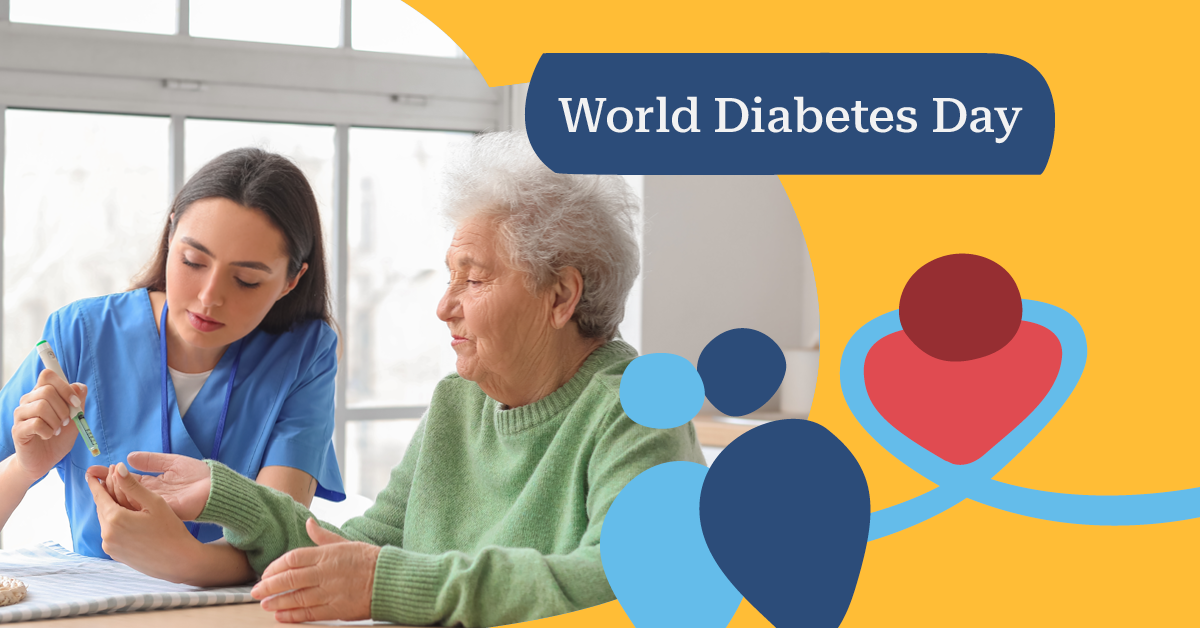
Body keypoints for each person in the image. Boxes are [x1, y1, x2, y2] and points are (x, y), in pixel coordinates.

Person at [91, 131, 705, 626]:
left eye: (474, 278)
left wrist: (389, 583)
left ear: (561, 296)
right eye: (449, 276)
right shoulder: (459, 402)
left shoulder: (638, 407)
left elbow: (628, 581)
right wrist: (226, 494)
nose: (444, 306)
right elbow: (351, 547)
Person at [0, 148, 345, 586]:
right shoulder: (80, 334)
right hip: (96, 607)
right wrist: (24, 467)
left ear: (291, 281)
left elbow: (280, 538)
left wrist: (186, 561)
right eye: (193, 261)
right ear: (170, 234)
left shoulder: (305, 354)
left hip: (236, 612)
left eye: (247, 280)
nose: (209, 297)